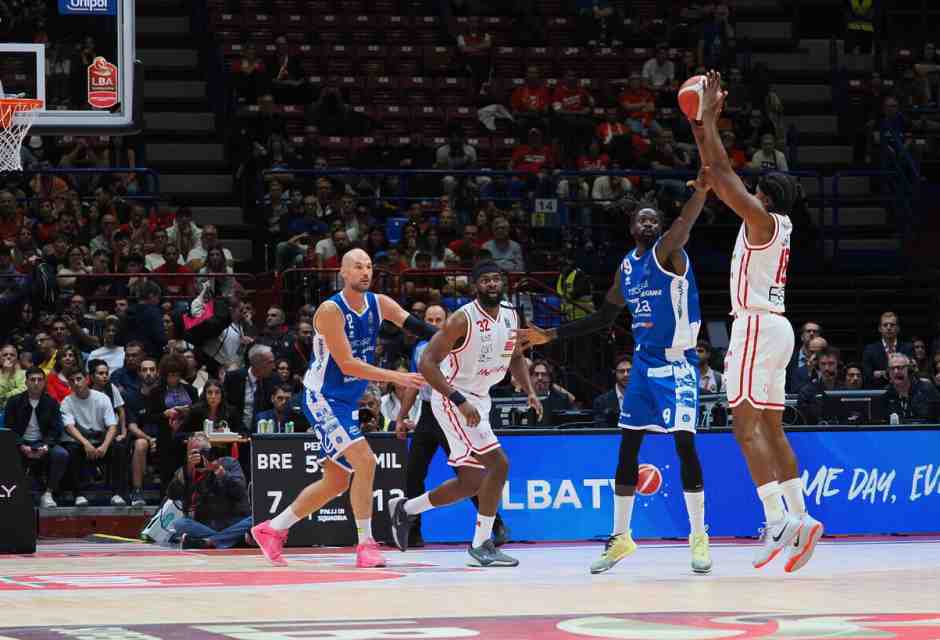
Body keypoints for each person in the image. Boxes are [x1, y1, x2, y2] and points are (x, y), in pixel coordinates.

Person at [525, 171, 714, 574]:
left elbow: (686, 223)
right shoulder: (627, 267)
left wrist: (699, 192)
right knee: (628, 447)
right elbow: (603, 317)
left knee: (684, 444)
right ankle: (620, 537)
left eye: (653, 220)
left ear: (659, 227)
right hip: (644, 363)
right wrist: (550, 334)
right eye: (641, 220)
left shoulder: (669, 252)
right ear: (631, 227)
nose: (648, 224)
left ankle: (699, 536)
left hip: (677, 361)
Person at [693, 70, 823, 573]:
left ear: (763, 197)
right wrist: (705, 133)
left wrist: (706, 119)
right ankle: (802, 518)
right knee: (771, 425)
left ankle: (777, 520)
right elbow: (721, 175)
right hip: (777, 327)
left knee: (742, 425)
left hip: (754, 325)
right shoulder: (780, 223)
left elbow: (723, 174)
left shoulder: (763, 221)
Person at [251, 248, 429, 568]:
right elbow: (347, 364)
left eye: (369, 266)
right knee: (367, 461)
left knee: (335, 481)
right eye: (357, 266)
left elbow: (416, 325)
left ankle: (273, 529)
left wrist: (454, 338)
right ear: (343, 273)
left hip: (345, 402)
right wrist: (397, 376)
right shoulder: (331, 310)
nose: (365, 271)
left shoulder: (379, 303)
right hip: (323, 397)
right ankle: (365, 545)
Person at [388, 261, 542, 568]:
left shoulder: (511, 314)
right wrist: (459, 400)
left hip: (481, 398)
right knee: (499, 464)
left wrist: (530, 391)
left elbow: (514, 356)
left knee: (470, 483)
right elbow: (427, 363)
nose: (492, 285)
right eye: (485, 281)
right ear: (475, 286)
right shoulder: (462, 319)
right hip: (453, 399)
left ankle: (405, 509)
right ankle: (482, 543)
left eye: (496, 279)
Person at [394, 304, 509, 548]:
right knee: (415, 471)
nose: (434, 323)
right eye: (430, 319)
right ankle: (411, 524)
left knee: (472, 475)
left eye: (438, 319)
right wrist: (401, 416)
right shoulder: (421, 349)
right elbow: (415, 384)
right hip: (430, 412)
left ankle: (493, 524)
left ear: (446, 320)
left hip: (456, 407)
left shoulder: (458, 341)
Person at [167, 432, 253, 549]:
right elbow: (172, 494)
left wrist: (220, 472)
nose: (199, 456)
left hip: (233, 520)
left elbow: (239, 491)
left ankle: (209, 541)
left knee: (254, 520)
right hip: (206, 523)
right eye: (193, 453)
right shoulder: (186, 471)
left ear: (210, 451)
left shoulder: (229, 463)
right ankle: (234, 540)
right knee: (179, 524)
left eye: (203, 451)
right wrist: (186, 472)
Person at [60, 369, 128, 506]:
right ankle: (79, 495)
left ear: (87, 379)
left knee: (119, 449)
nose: (76, 383)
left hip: (101, 440)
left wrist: (105, 446)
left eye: (79, 379)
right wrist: (85, 443)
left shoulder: (102, 398)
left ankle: (117, 494)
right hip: (81, 442)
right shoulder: (67, 402)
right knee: (71, 451)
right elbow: (69, 427)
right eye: (72, 380)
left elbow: (112, 425)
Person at [4, 367, 69, 508]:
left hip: (42, 442)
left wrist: (46, 446)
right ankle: (14, 495)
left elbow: (56, 429)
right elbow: (10, 429)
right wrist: (21, 445)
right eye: (32, 379)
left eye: (40, 380)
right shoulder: (14, 402)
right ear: (26, 382)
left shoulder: (51, 403)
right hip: (20, 442)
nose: (36, 383)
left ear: (44, 383)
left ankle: (48, 493)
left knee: (61, 454)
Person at [593, 355, 631, 428]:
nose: (626, 374)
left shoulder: (643, 399)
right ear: (615, 373)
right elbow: (600, 431)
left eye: (629, 371)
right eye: (621, 371)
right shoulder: (601, 402)